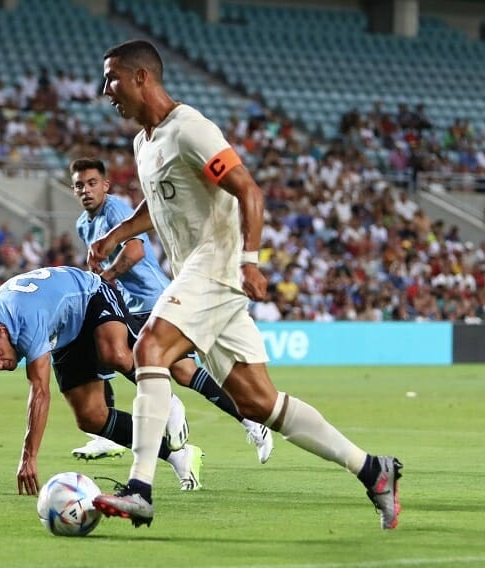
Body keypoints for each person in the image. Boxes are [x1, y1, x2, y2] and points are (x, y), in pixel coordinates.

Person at [88, 40, 402, 530]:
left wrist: (250, 261)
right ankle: (372, 469)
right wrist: (116, 234)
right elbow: (158, 203)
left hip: (217, 265)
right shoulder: (144, 143)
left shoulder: (190, 129)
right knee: (260, 402)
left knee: (148, 347)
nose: (104, 89)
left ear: (142, 77)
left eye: (111, 78)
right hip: (198, 273)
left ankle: (140, 487)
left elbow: (247, 188)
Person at [0, 266, 203, 494]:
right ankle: (177, 455)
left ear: (2, 330)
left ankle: (170, 402)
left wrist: (29, 457)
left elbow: (40, 391)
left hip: (91, 294)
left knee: (116, 354)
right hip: (66, 329)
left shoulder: (26, 320)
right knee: (91, 417)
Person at [69, 157, 273, 464]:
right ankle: (250, 418)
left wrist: (106, 276)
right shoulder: (84, 224)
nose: (86, 190)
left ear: (105, 185)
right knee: (184, 371)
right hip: (129, 303)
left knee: (105, 346)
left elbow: (135, 251)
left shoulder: (116, 209)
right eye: (79, 185)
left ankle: (152, 416)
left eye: (92, 183)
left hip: (151, 298)